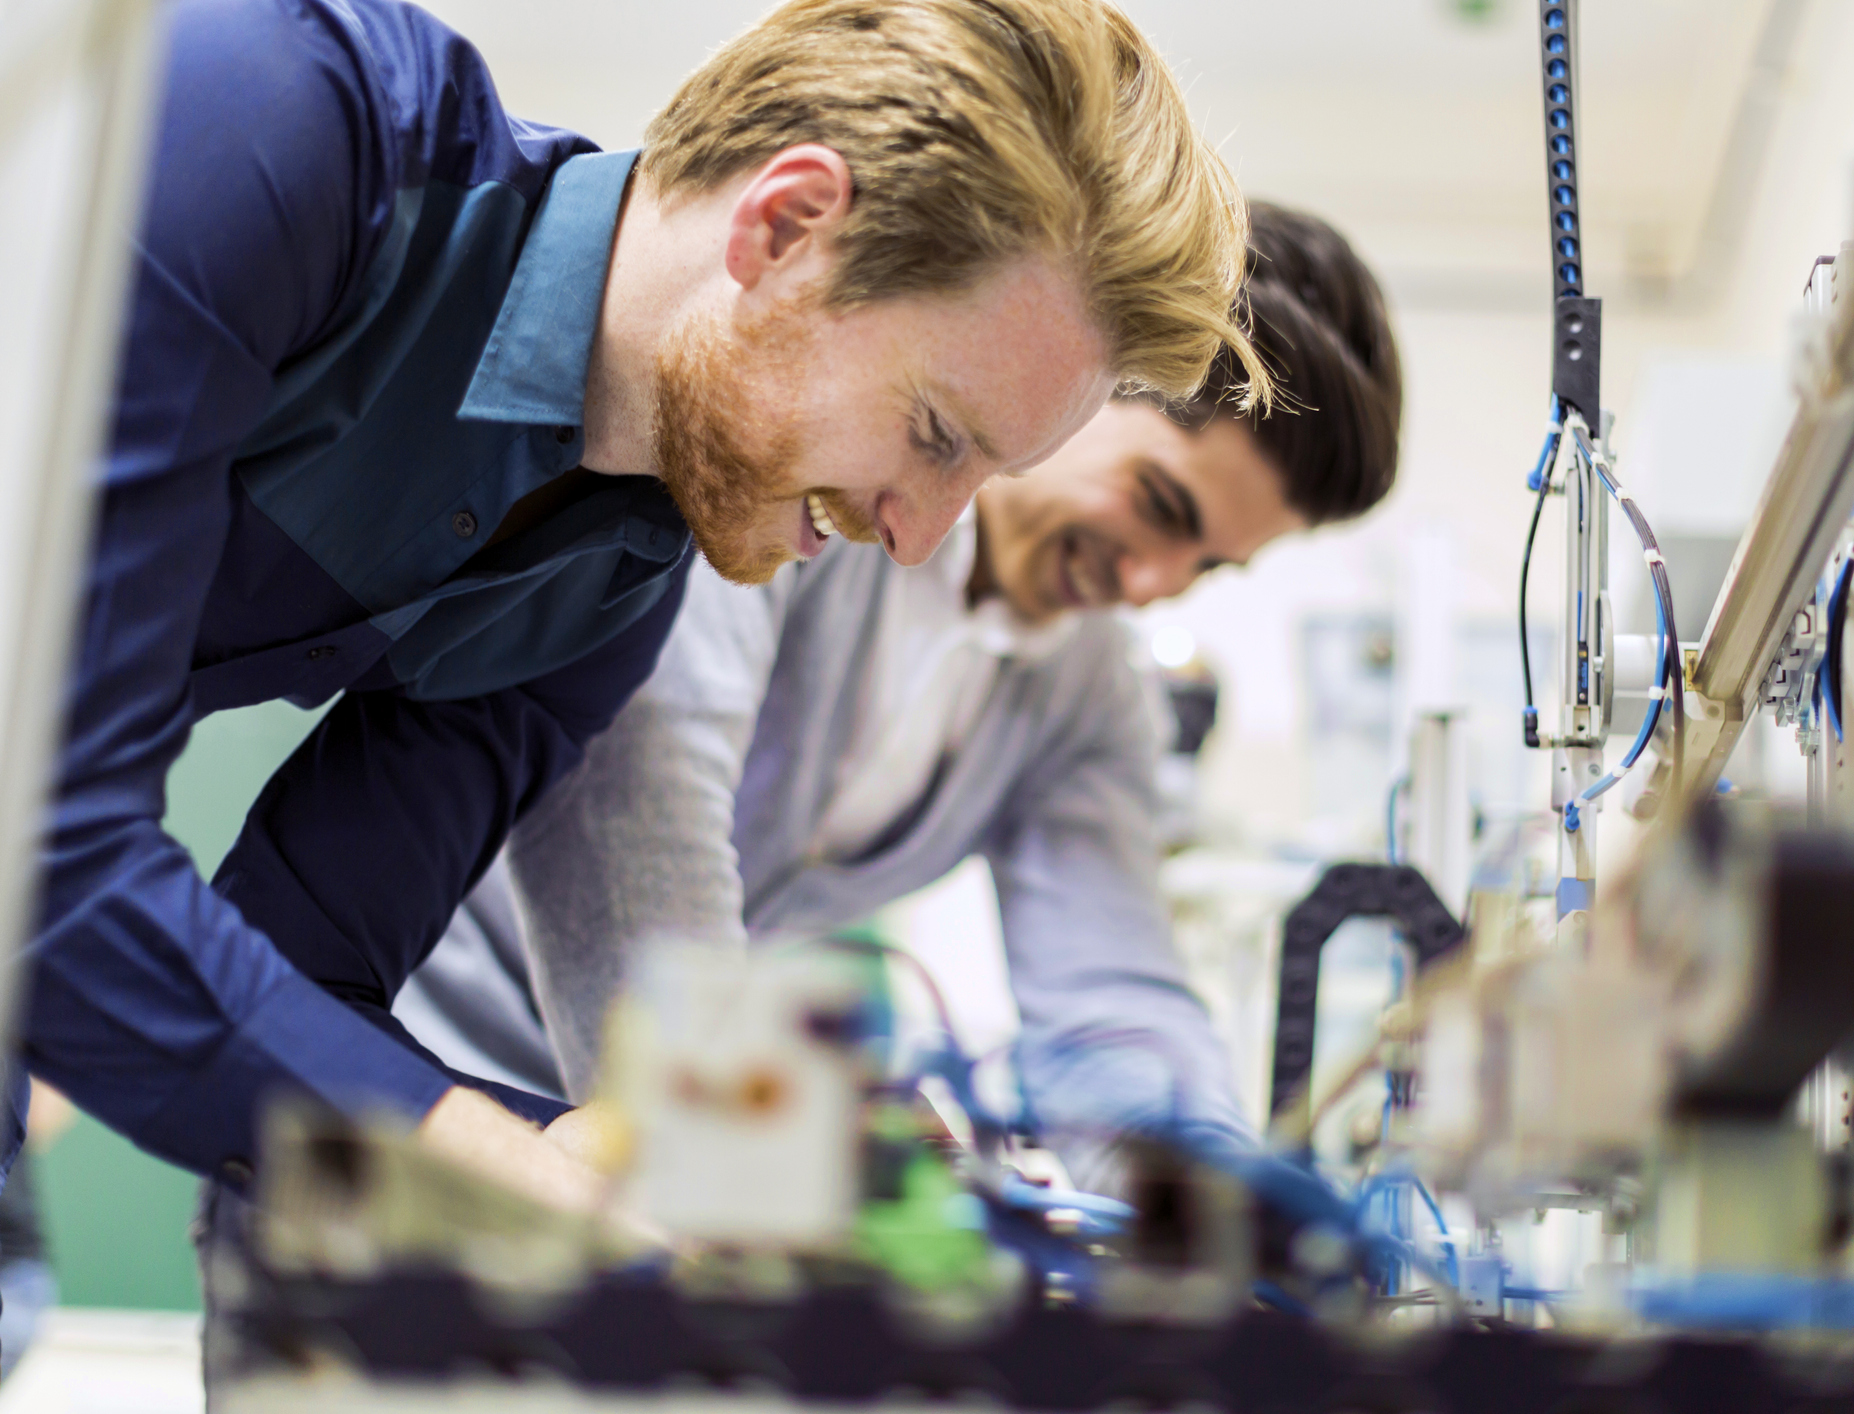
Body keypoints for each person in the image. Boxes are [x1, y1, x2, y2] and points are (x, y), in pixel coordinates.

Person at [22, 0, 1263, 1212]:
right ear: (785, 227)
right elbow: (48, 858)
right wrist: (513, 1166)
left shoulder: (609, 584)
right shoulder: (279, 118)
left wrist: (654, 1164)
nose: (919, 535)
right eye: (935, 434)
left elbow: (304, 984)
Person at [398, 203, 1403, 1190]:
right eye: (1159, 507)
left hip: (658, 1153)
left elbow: (1111, 1000)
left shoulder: (1089, 694)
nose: (1151, 584)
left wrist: (1212, 1217)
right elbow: (641, 806)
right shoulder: (823, 488)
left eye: (1208, 566)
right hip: (430, 1082)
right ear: (1087, 382)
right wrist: (762, 1145)